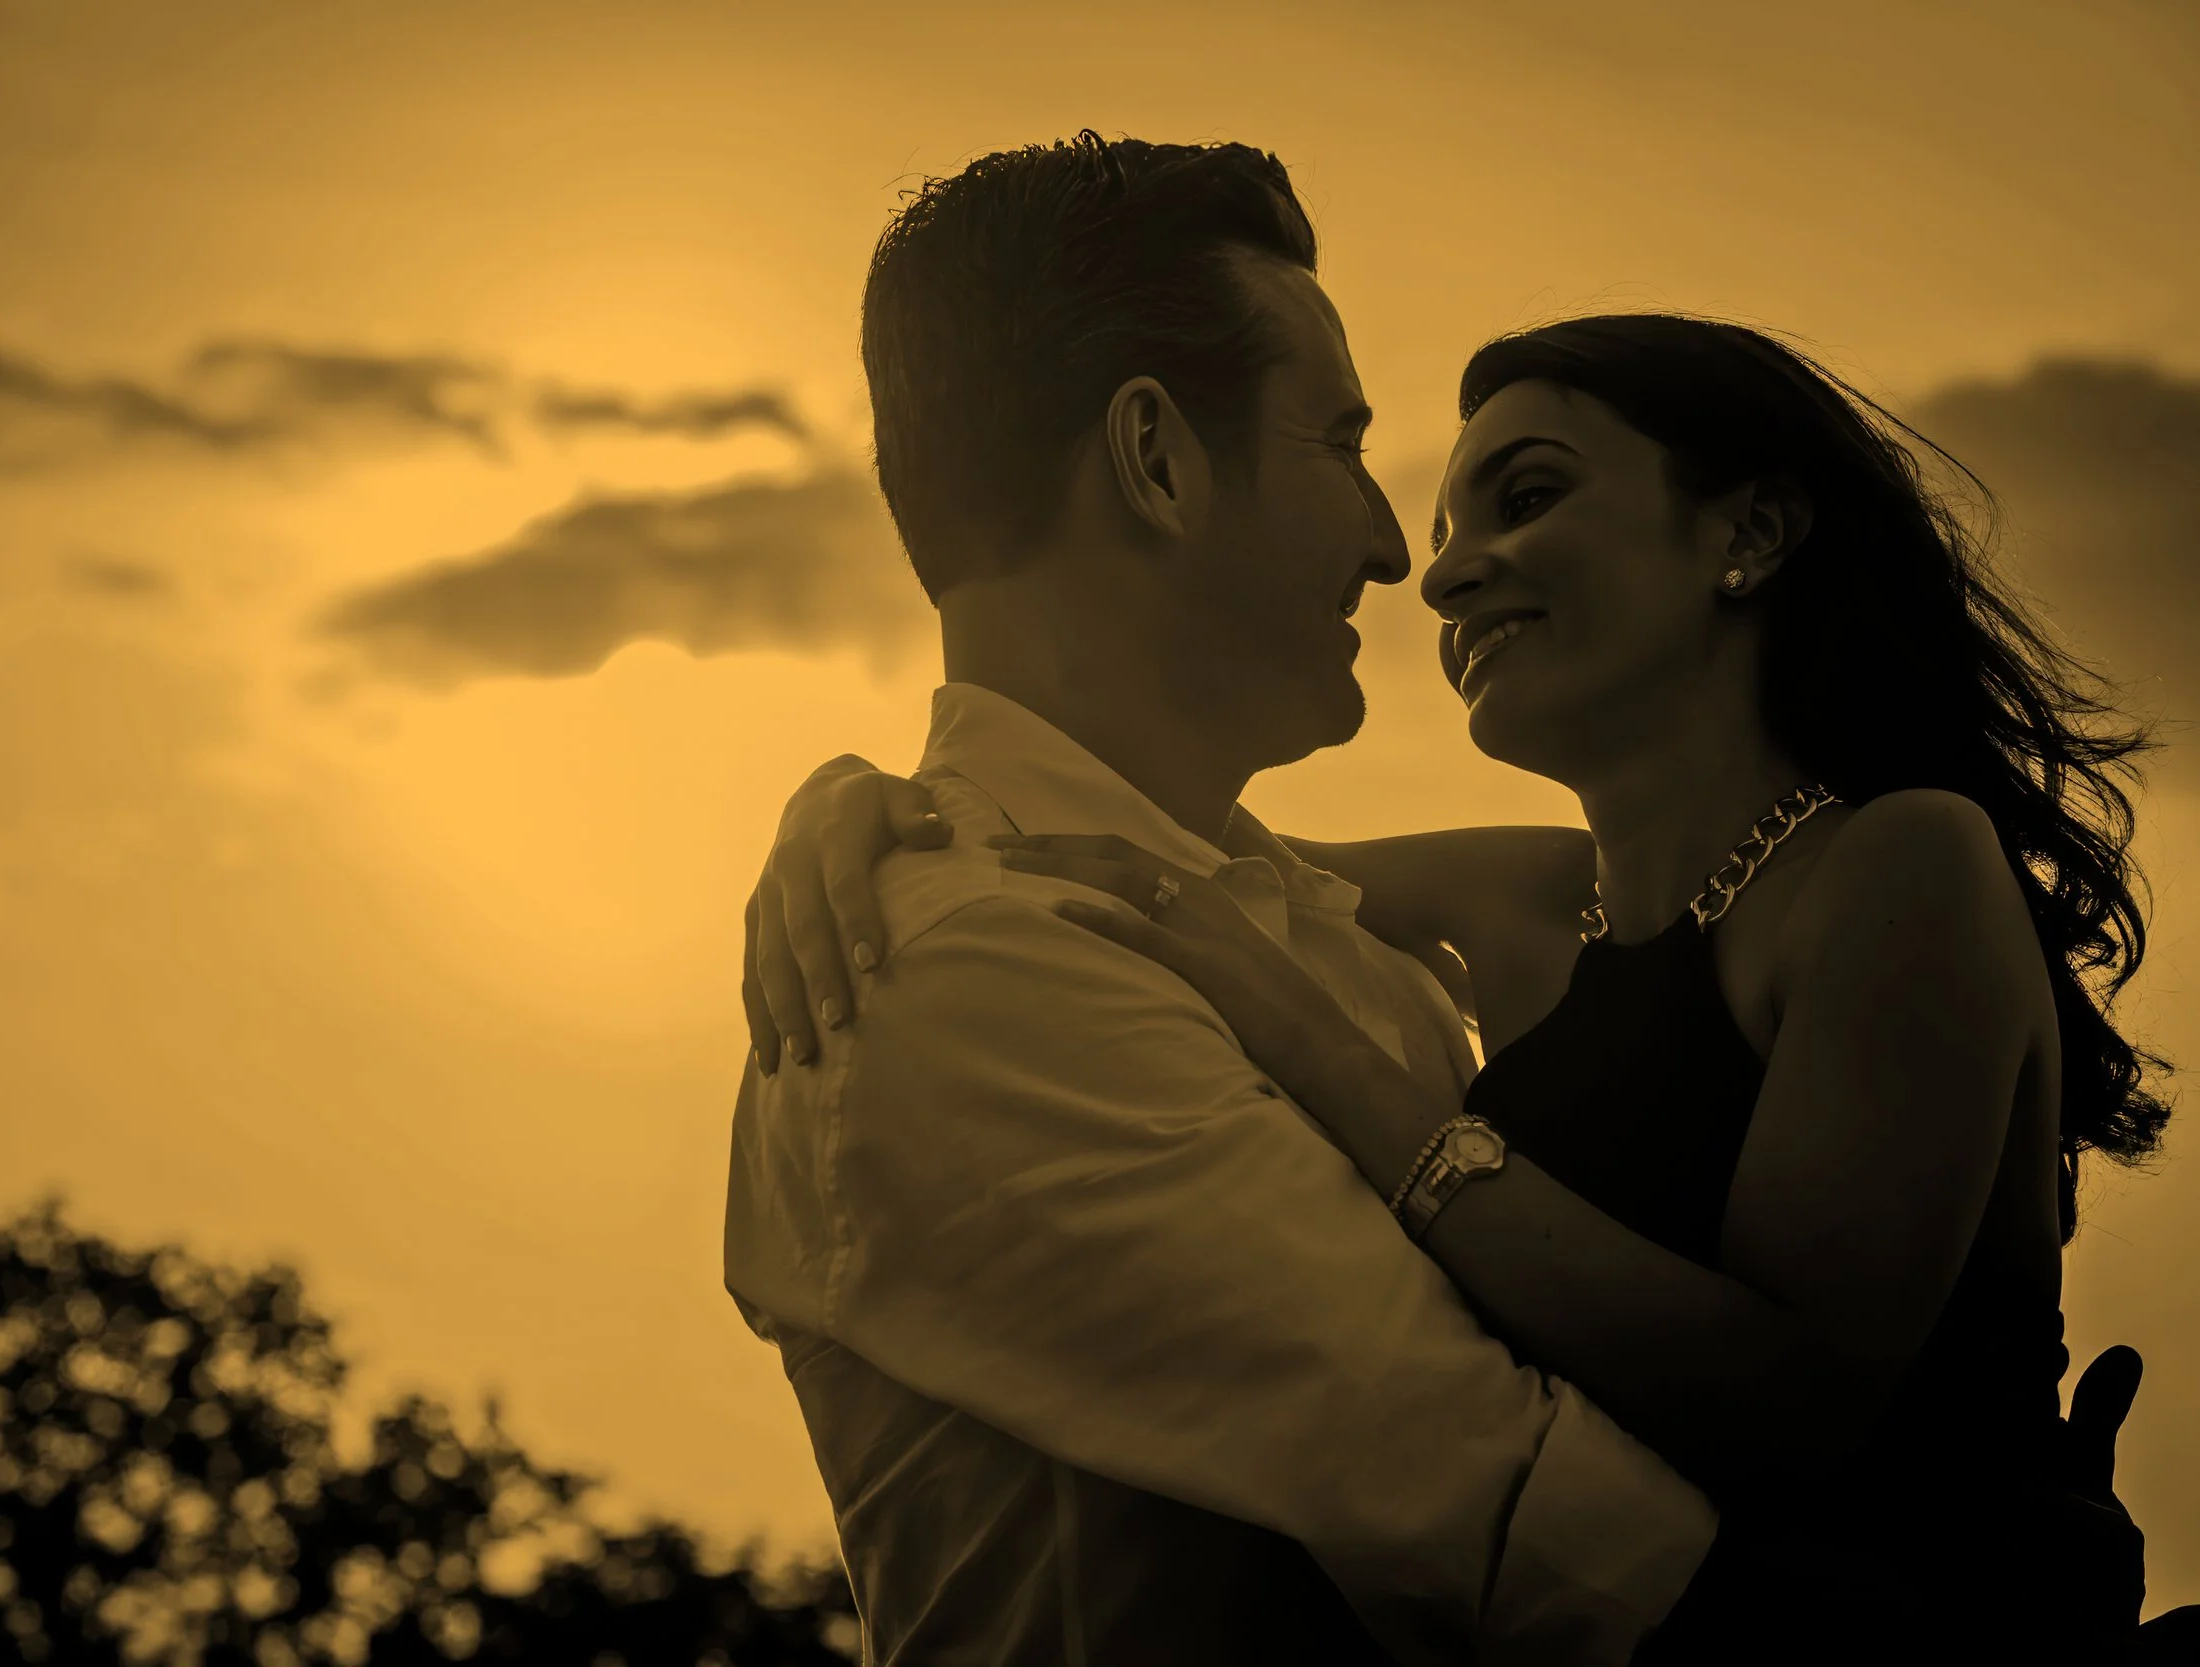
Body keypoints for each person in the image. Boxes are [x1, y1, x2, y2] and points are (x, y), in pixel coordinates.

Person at [745, 300, 2179, 1651]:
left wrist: (1363, 1088)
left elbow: (1789, 1409)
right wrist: (859, 807)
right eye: (1445, 521)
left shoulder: (1904, 867)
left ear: (1748, 530)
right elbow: (1120, 846)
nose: (1439, 570)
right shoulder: (1534, 894)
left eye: (1530, 496)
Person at [723, 134, 1722, 1667]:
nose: (1401, 550)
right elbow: (1580, 1560)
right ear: (1159, 461)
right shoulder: (962, 973)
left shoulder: (1261, 916)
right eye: (1340, 443)